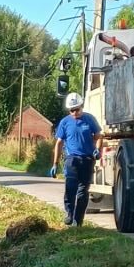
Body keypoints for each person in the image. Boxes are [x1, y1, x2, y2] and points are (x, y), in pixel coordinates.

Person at [50, 92, 101, 226]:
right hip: (71, 159)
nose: (74, 112)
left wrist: (97, 149)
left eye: (77, 109)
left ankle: (78, 221)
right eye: (72, 110)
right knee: (70, 188)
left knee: (83, 192)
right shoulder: (65, 122)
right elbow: (59, 143)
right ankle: (69, 214)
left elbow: (98, 136)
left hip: (87, 159)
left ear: (81, 107)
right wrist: (55, 163)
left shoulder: (89, 119)